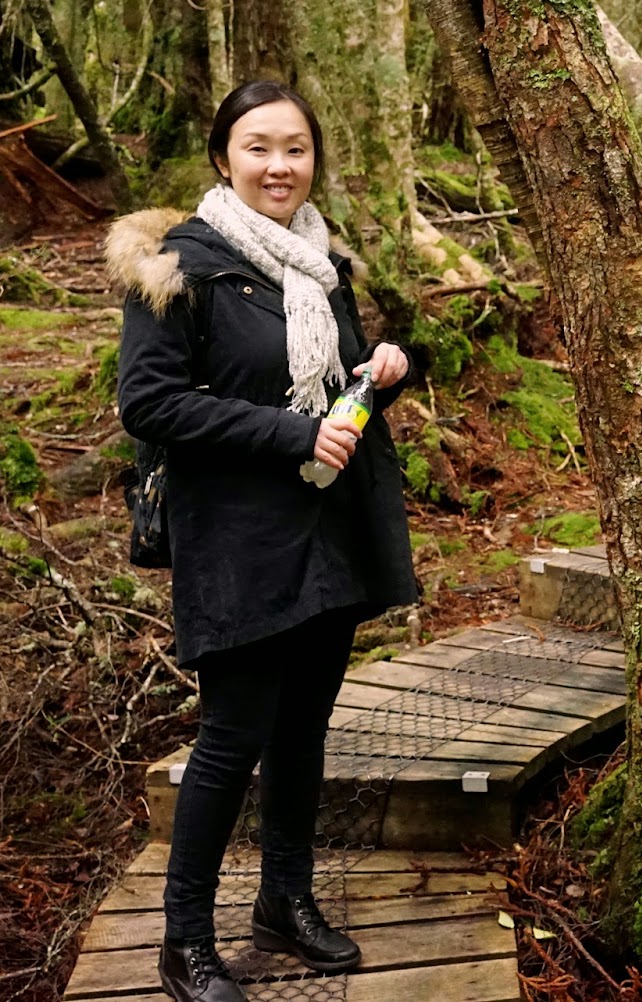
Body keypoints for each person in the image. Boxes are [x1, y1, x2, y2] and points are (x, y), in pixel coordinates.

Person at [109, 81, 419, 1002]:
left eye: (295, 148)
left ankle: (284, 900)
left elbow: (331, 389)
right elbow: (150, 402)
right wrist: (292, 435)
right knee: (231, 736)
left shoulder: (321, 263)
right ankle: (185, 943)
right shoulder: (178, 265)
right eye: (258, 147)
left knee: (303, 729)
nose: (279, 166)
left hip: (328, 530)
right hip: (238, 537)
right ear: (223, 158)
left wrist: (382, 374)